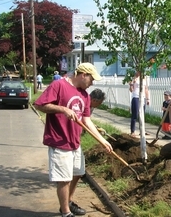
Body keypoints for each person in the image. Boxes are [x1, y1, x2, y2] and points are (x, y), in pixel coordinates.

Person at [33, 62, 113, 217]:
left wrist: (102, 141)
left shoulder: (84, 95)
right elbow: (40, 104)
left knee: (78, 172)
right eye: (91, 79)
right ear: (83, 75)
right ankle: (65, 212)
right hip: (60, 141)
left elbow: (86, 120)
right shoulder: (59, 85)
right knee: (64, 179)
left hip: (75, 142)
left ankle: (67, 201)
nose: (92, 83)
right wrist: (62, 109)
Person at [129, 71, 150, 136]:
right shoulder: (133, 78)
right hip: (136, 97)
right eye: (138, 70)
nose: (139, 72)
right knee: (135, 115)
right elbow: (131, 90)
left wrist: (147, 98)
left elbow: (146, 89)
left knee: (142, 115)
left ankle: (142, 131)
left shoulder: (144, 78)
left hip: (142, 98)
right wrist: (132, 83)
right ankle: (132, 131)